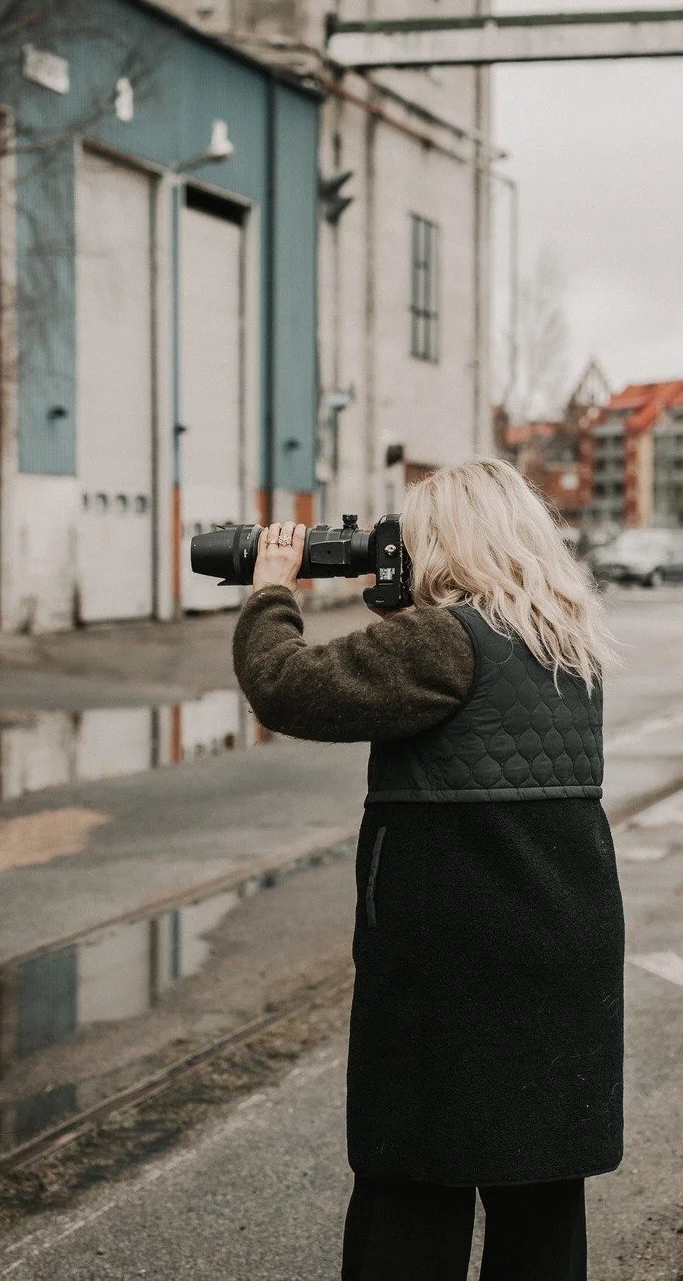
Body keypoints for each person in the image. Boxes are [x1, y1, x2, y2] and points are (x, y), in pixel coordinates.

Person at [232, 458, 625, 1281]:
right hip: (563, 956)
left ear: (446, 541)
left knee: (413, 1186)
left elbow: (285, 685)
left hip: (448, 966)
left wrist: (272, 588)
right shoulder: (567, 641)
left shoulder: (443, 641)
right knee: (539, 1197)